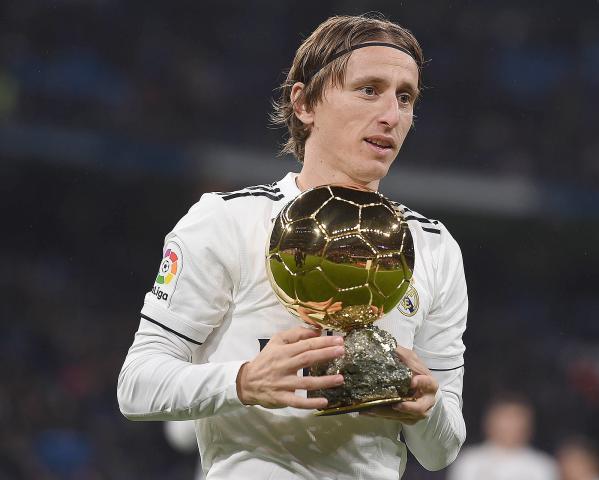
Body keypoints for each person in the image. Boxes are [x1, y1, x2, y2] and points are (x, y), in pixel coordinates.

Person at [117, 14, 467, 480]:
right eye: (369, 90)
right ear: (304, 103)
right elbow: (136, 385)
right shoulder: (226, 221)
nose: (391, 115)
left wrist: (428, 410)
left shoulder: (434, 247)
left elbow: (442, 451)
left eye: (405, 97)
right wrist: (243, 381)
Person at [448, 394, 558, 480]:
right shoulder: (469, 461)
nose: (510, 426)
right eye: (505, 418)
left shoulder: (542, 466)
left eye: (516, 419)